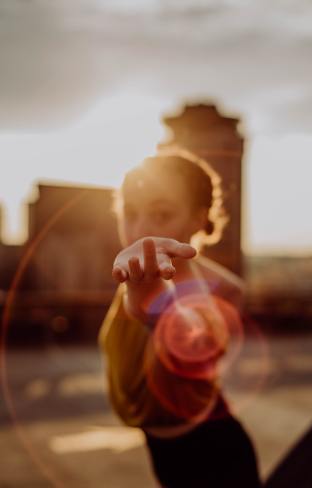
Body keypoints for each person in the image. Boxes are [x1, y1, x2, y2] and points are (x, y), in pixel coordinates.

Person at [99, 151, 261, 487]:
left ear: (198, 220)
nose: (141, 230)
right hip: (166, 455)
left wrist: (155, 315)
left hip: (212, 461)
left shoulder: (189, 286)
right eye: (130, 212)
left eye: (162, 214)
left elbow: (196, 333)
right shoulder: (137, 271)